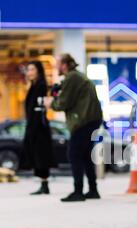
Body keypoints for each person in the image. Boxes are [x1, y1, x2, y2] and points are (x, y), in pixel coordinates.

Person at [44, 53, 103, 202]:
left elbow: (64, 103)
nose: (56, 67)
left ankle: (78, 191)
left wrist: (50, 103)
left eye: (57, 63)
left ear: (64, 64)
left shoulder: (72, 77)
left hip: (84, 121)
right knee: (85, 156)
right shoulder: (76, 76)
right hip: (92, 120)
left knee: (74, 154)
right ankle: (93, 189)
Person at [22, 61, 56, 195]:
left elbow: (38, 108)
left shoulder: (40, 86)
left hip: (38, 127)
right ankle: (43, 184)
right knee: (38, 156)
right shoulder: (34, 85)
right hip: (34, 125)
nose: (29, 72)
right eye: (28, 70)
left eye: (31, 69)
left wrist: (33, 126)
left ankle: (44, 184)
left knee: (41, 156)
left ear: (38, 71)